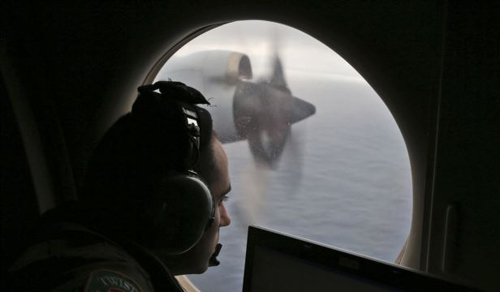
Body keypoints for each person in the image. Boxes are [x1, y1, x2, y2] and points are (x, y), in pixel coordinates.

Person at [8, 81, 232, 291]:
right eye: (220, 200)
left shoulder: (73, 247)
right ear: (172, 211)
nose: (226, 218)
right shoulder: (105, 280)